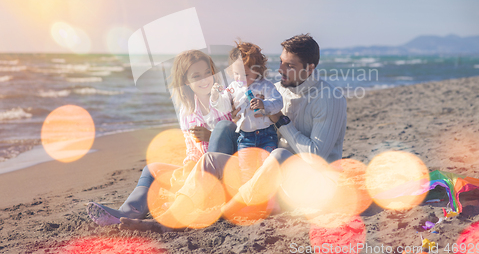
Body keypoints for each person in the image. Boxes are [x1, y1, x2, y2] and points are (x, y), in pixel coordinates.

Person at [119, 34, 347, 232]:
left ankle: (219, 212)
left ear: (309, 69)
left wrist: (279, 119)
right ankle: (177, 214)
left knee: (277, 154)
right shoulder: (277, 89)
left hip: (306, 184)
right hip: (266, 174)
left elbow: (315, 158)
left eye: (290, 66)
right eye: (280, 62)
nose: (280, 70)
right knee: (211, 159)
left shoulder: (329, 98)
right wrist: (237, 119)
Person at [86, 50, 232, 226]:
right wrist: (188, 170)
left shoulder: (227, 98)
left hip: (226, 174)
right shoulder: (188, 112)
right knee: (151, 169)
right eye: (196, 75)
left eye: (208, 72)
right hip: (200, 173)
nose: (204, 79)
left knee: (223, 128)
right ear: (186, 81)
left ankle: (183, 208)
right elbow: (192, 150)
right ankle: (127, 212)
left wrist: (211, 135)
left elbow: (242, 136)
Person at [210, 42, 283, 182]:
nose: (240, 78)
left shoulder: (265, 86)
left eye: (246, 74)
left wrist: (264, 104)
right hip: (245, 138)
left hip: (266, 135)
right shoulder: (233, 87)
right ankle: (248, 195)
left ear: (258, 71)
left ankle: (268, 195)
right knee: (246, 170)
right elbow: (224, 105)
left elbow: (278, 102)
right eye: (237, 74)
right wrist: (215, 97)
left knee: (266, 167)